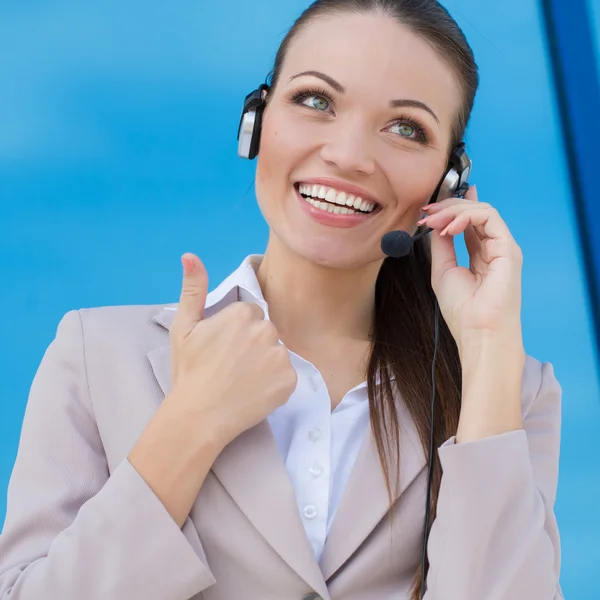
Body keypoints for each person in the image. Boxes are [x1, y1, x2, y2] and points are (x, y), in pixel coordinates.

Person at [0, 1, 563, 599]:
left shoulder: (508, 391)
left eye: (406, 128)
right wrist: (188, 427)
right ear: (257, 122)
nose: (348, 155)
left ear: (447, 184)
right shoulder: (96, 355)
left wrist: (485, 348)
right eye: (316, 100)